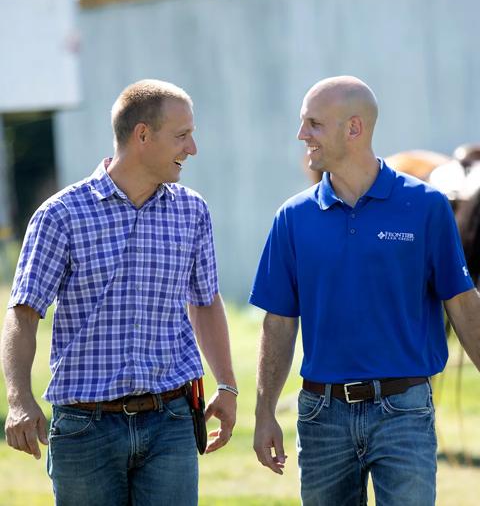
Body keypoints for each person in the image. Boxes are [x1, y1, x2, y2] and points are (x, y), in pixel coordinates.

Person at [1, 79, 238, 506]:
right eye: (182, 135)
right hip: (85, 428)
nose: (192, 148)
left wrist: (228, 385)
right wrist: (18, 400)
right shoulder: (61, 215)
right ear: (142, 135)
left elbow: (205, 301)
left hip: (171, 420)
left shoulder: (192, 210)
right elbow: (23, 312)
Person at [250, 76, 480, 506]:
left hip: (404, 411)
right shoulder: (292, 217)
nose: (302, 135)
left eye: (314, 124)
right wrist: (265, 412)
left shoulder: (426, 206)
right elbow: (278, 322)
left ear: (353, 129)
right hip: (322, 415)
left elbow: (463, 305)